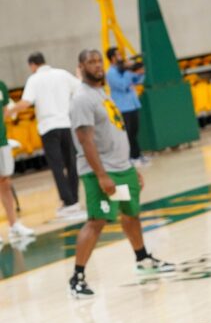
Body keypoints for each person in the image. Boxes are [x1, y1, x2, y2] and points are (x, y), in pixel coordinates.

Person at [68, 49, 174, 297]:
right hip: (102, 172)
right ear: (81, 67)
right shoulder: (82, 98)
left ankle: (142, 259)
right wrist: (102, 175)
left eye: (98, 61)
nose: (97, 66)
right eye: (91, 62)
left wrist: (129, 165)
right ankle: (77, 277)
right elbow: (86, 141)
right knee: (97, 221)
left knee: (131, 214)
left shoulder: (101, 92)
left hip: (121, 167)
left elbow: (114, 133)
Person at [12, 53, 83, 218]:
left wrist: (9, 111)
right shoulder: (62, 74)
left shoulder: (34, 79)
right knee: (71, 163)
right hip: (65, 123)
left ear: (32, 65)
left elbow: (26, 102)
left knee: (57, 166)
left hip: (48, 127)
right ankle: (75, 199)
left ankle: (68, 202)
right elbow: (79, 88)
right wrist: (79, 75)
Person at [0, 79, 34, 243]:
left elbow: (6, 111)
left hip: (2, 142)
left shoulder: (1, 86)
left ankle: (14, 226)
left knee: (5, 183)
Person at [105, 47, 147, 166]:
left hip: (133, 104)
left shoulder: (124, 70)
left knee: (134, 132)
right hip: (123, 107)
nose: (120, 57)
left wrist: (139, 72)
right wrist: (129, 72)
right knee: (128, 134)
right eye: (118, 55)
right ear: (112, 58)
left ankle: (138, 155)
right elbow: (122, 85)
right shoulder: (111, 73)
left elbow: (137, 81)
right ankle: (132, 157)